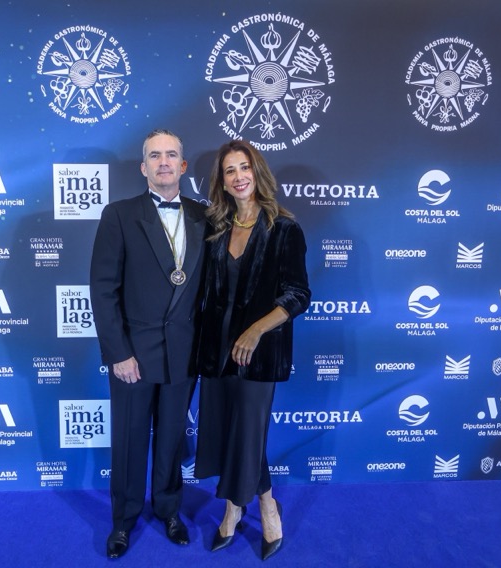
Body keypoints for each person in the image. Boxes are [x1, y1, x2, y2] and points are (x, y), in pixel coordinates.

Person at [90, 129, 208, 559]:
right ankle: (123, 520)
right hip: (134, 354)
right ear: (143, 167)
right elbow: (103, 289)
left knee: (172, 437)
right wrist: (118, 353)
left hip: (184, 351)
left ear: (183, 165)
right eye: (155, 156)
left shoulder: (205, 216)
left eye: (171, 154)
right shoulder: (119, 214)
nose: (163, 162)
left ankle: (169, 510)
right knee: (129, 438)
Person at [194, 139, 310, 561]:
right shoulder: (215, 229)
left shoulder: (285, 228)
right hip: (216, 350)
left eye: (244, 167)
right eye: (230, 170)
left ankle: (248, 507)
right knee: (230, 431)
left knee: (248, 432)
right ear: (222, 182)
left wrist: (255, 331)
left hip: (257, 353)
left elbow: (298, 295)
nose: (239, 176)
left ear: (257, 172)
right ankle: (253, 502)